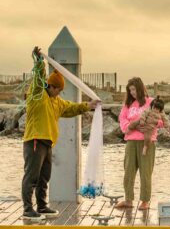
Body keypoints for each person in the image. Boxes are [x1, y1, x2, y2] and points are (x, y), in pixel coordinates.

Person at [21, 46, 100, 219]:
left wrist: (88, 105)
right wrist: (40, 61)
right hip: (34, 140)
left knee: (44, 177)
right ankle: (28, 209)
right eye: (58, 90)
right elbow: (38, 79)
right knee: (32, 176)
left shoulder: (57, 102)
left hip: (48, 143)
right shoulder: (37, 95)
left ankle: (41, 206)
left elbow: (71, 108)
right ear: (51, 86)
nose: (59, 93)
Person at [116, 77, 161, 210]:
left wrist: (147, 124)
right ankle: (128, 199)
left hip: (147, 142)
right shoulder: (127, 105)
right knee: (128, 171)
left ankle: (145, 201)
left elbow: (160, 121)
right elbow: (123, 121)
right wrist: (132, 126)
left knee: (145, 172)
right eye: (130, 90)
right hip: (131, 142)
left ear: (140, 88)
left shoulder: (151, 102)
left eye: (134, 89)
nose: (132, 93)